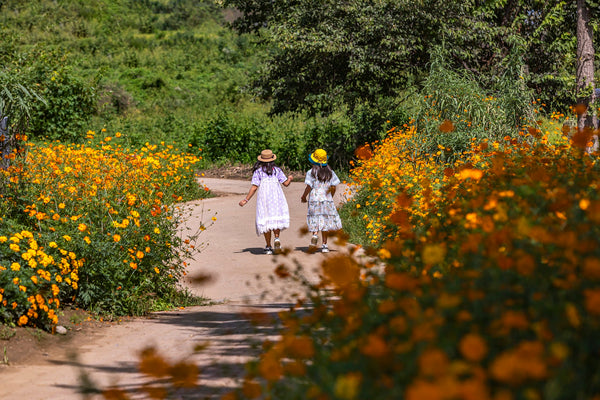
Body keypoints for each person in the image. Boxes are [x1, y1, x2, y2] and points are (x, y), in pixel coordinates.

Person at [239, 149, 293, 254]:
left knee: (266, 219)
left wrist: (246, 200)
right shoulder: (277, 170)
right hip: (276, 198)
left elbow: (254, 187)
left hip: (264, 198)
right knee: (275, 218)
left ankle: (268, 246)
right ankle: (277, 238)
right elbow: (285, 183)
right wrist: (290, 178)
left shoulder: (258, 172)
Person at [300, 149, 342, 253]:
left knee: (315, 217)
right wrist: (331, 195)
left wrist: (303, 196)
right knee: (325, 220)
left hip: (314, 199)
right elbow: (334, 186)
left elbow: (308, 187)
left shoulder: (311, 172)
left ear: (313, 161)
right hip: (326, 199)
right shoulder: (330, 173)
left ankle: (315, 235)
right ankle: (324, 245)